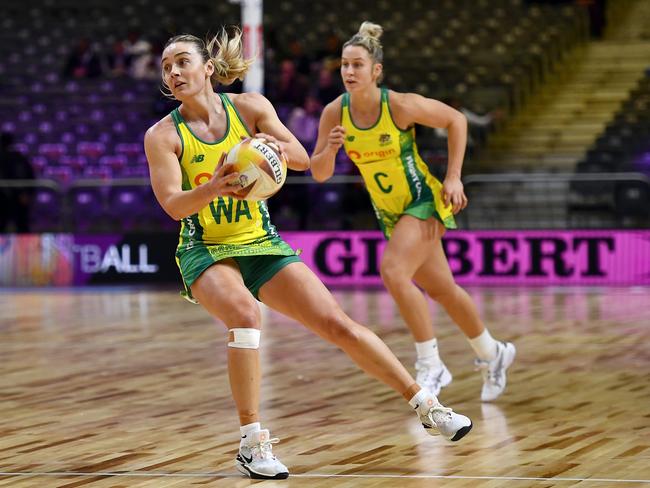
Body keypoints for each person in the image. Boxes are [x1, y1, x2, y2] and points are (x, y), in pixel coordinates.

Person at [144, 29, 473, 481]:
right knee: (245, 314)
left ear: (208, 69)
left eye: (182, 61)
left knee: (337, 324)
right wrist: (214, 185)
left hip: (259, 239)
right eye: (167, 66)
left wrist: (270, 149)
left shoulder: (252, 108)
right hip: (205, 247)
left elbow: (300, 157)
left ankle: (428, 406)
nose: (174, 72)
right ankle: (252, 442)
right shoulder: (163, 136)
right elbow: (172, 204)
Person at [310, 22, 516, 402]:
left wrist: (454, 178)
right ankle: (493, 352)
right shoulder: (333, 113)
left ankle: (430, 363)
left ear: (376, 71)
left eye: (358, 65)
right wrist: (330, 151)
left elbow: (456, 120)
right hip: (389, 212)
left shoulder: (399, 105)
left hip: (422, 199)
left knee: (392, 271)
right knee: (443, 290)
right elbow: (319, 174)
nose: (349, 72)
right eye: (344, 65)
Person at [0, 132, 35, 233]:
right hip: (5, 197)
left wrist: (25, 192)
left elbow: (25, 174)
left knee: (21, 226)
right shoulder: (17, 157)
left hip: (16, 197)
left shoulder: (17, 158)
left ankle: (26, 248)